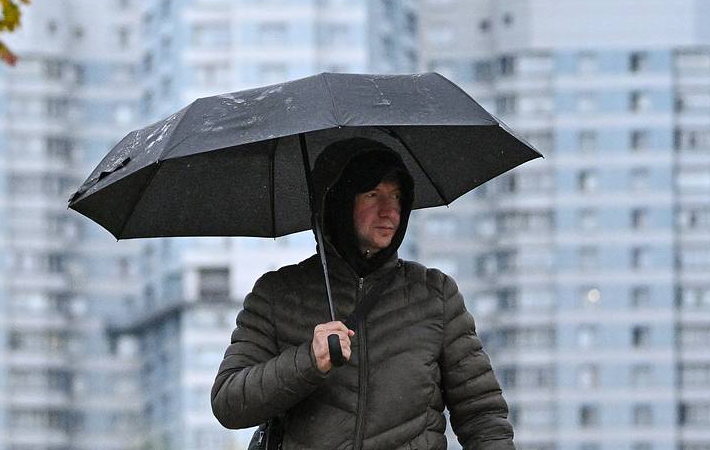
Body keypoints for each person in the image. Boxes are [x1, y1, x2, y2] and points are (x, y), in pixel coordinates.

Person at [210, 138, 515, 449]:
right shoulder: (277, 294)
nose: (390, 212)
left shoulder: (435, 294)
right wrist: (309, 360)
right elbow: (229, 402)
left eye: (397, 196)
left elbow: (482, 416)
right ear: (338, 202)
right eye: (373, 195)